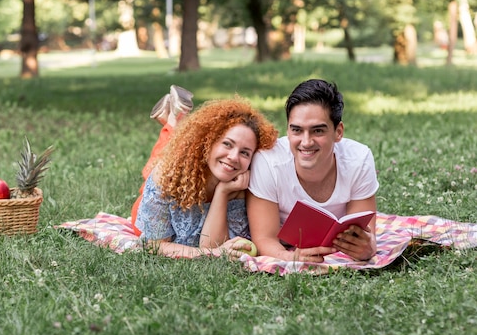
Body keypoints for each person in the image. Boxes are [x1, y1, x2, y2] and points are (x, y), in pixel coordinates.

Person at [133, 86, 279, 259]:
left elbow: (217, 246)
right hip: (162, 189)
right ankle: (172, 121)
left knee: (176, 150)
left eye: (245, 152)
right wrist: (207, 254)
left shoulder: (239, 182)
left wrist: (222, 193)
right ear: (207, 142)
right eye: (227, 144)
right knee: (159, 162)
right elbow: (154, 247)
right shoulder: (169, 174)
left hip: (197, 166)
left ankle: (173, 120)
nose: (234, 157)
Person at [247, 79, 379, 262]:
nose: (306, 142)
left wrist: (368, 248)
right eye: (297, 130)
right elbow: (264, 238)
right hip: (286, 243)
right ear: (288, 130)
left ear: (338, 132)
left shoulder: (359, 159)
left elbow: (365, 235)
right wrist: (291, 257)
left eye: (317, 131)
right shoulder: (268, 161)